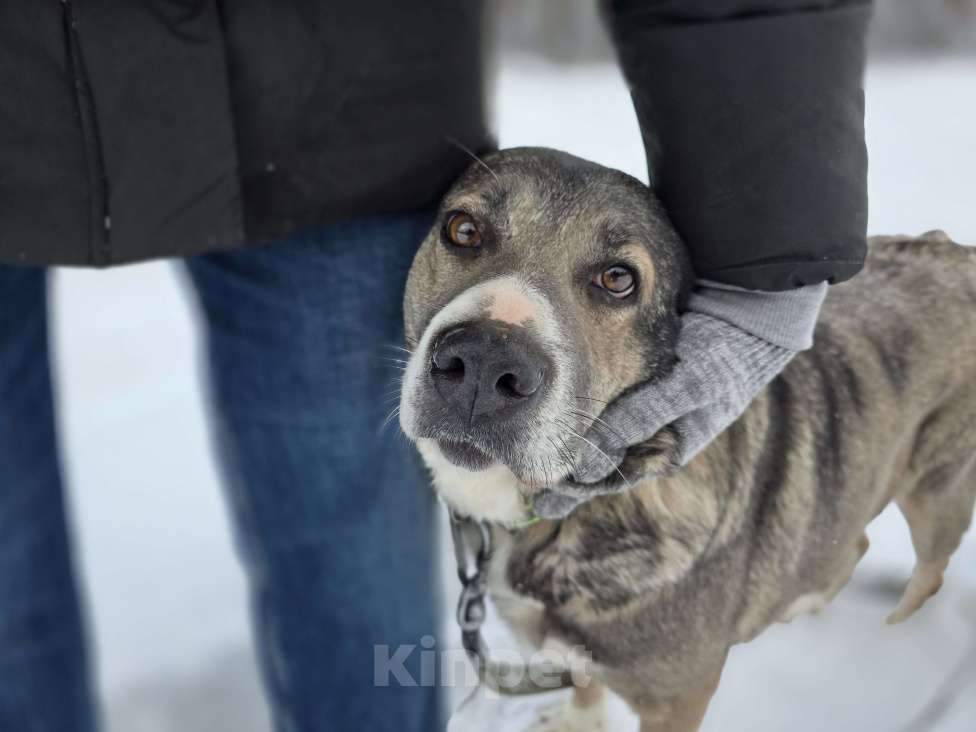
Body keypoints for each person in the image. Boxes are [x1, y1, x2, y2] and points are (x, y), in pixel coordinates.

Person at [0, 2, 870, 731]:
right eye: (467, 234)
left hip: (330, 122)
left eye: (614, 281)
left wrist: (771, 253)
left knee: (353, 584)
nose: (492, 353)